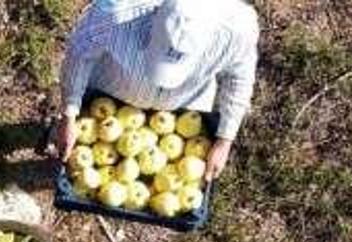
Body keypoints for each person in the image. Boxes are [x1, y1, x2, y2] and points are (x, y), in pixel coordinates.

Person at [54, 0, 260, 181]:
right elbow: (80, 55)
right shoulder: (114, 13)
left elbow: (239, 79)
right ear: (154, 17)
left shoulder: (238, 32)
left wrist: (225, 141)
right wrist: (69, 114)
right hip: (108, 97)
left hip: (182, 119)